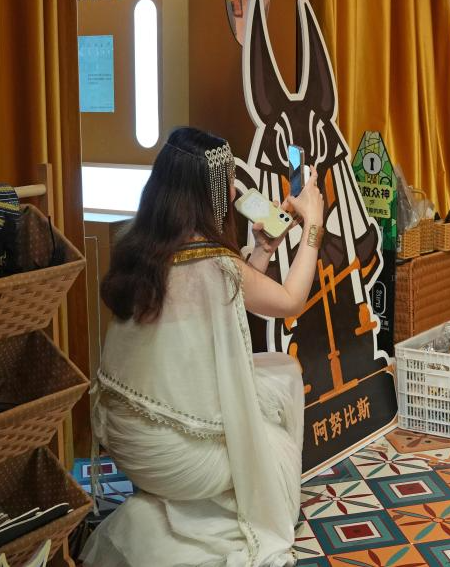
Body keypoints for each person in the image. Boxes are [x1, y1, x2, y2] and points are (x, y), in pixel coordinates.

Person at [80, 127, 325, 567]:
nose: (232, 192)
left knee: (266, 377)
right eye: (226, 182)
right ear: (207, 193)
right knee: (279, 402)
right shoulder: (214, 262)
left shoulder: (137, 244)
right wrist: (314, 226)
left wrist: (262, 250)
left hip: (121, 440)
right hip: (177, 459)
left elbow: (221, 302)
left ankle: (167, 516)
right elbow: (290, 302)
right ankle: (197, 522)